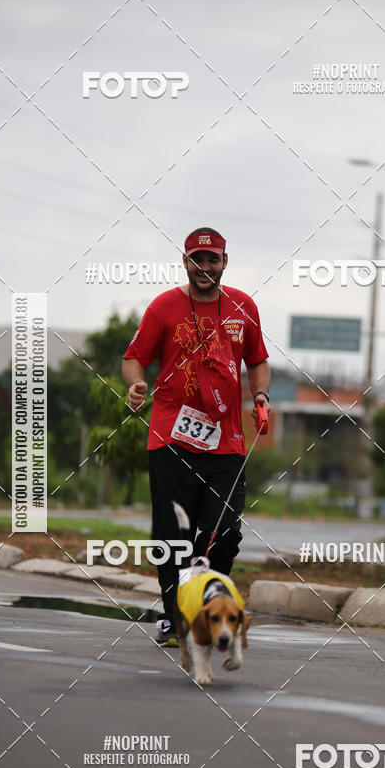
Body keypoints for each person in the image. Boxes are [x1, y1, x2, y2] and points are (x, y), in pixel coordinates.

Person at [122, 227, 271, 646]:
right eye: (197, 259)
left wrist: (260, 395)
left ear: (225, 262)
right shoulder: (163, 307)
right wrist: (135, 385)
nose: (205, 267)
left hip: (226, 441)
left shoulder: (243, 307)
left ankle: (207, 607)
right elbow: (134, 357)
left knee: (223, 534)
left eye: (213, 259)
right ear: (185, 262)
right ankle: (175, 618)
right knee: (173, 537)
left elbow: (258, 361)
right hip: (171, 438)